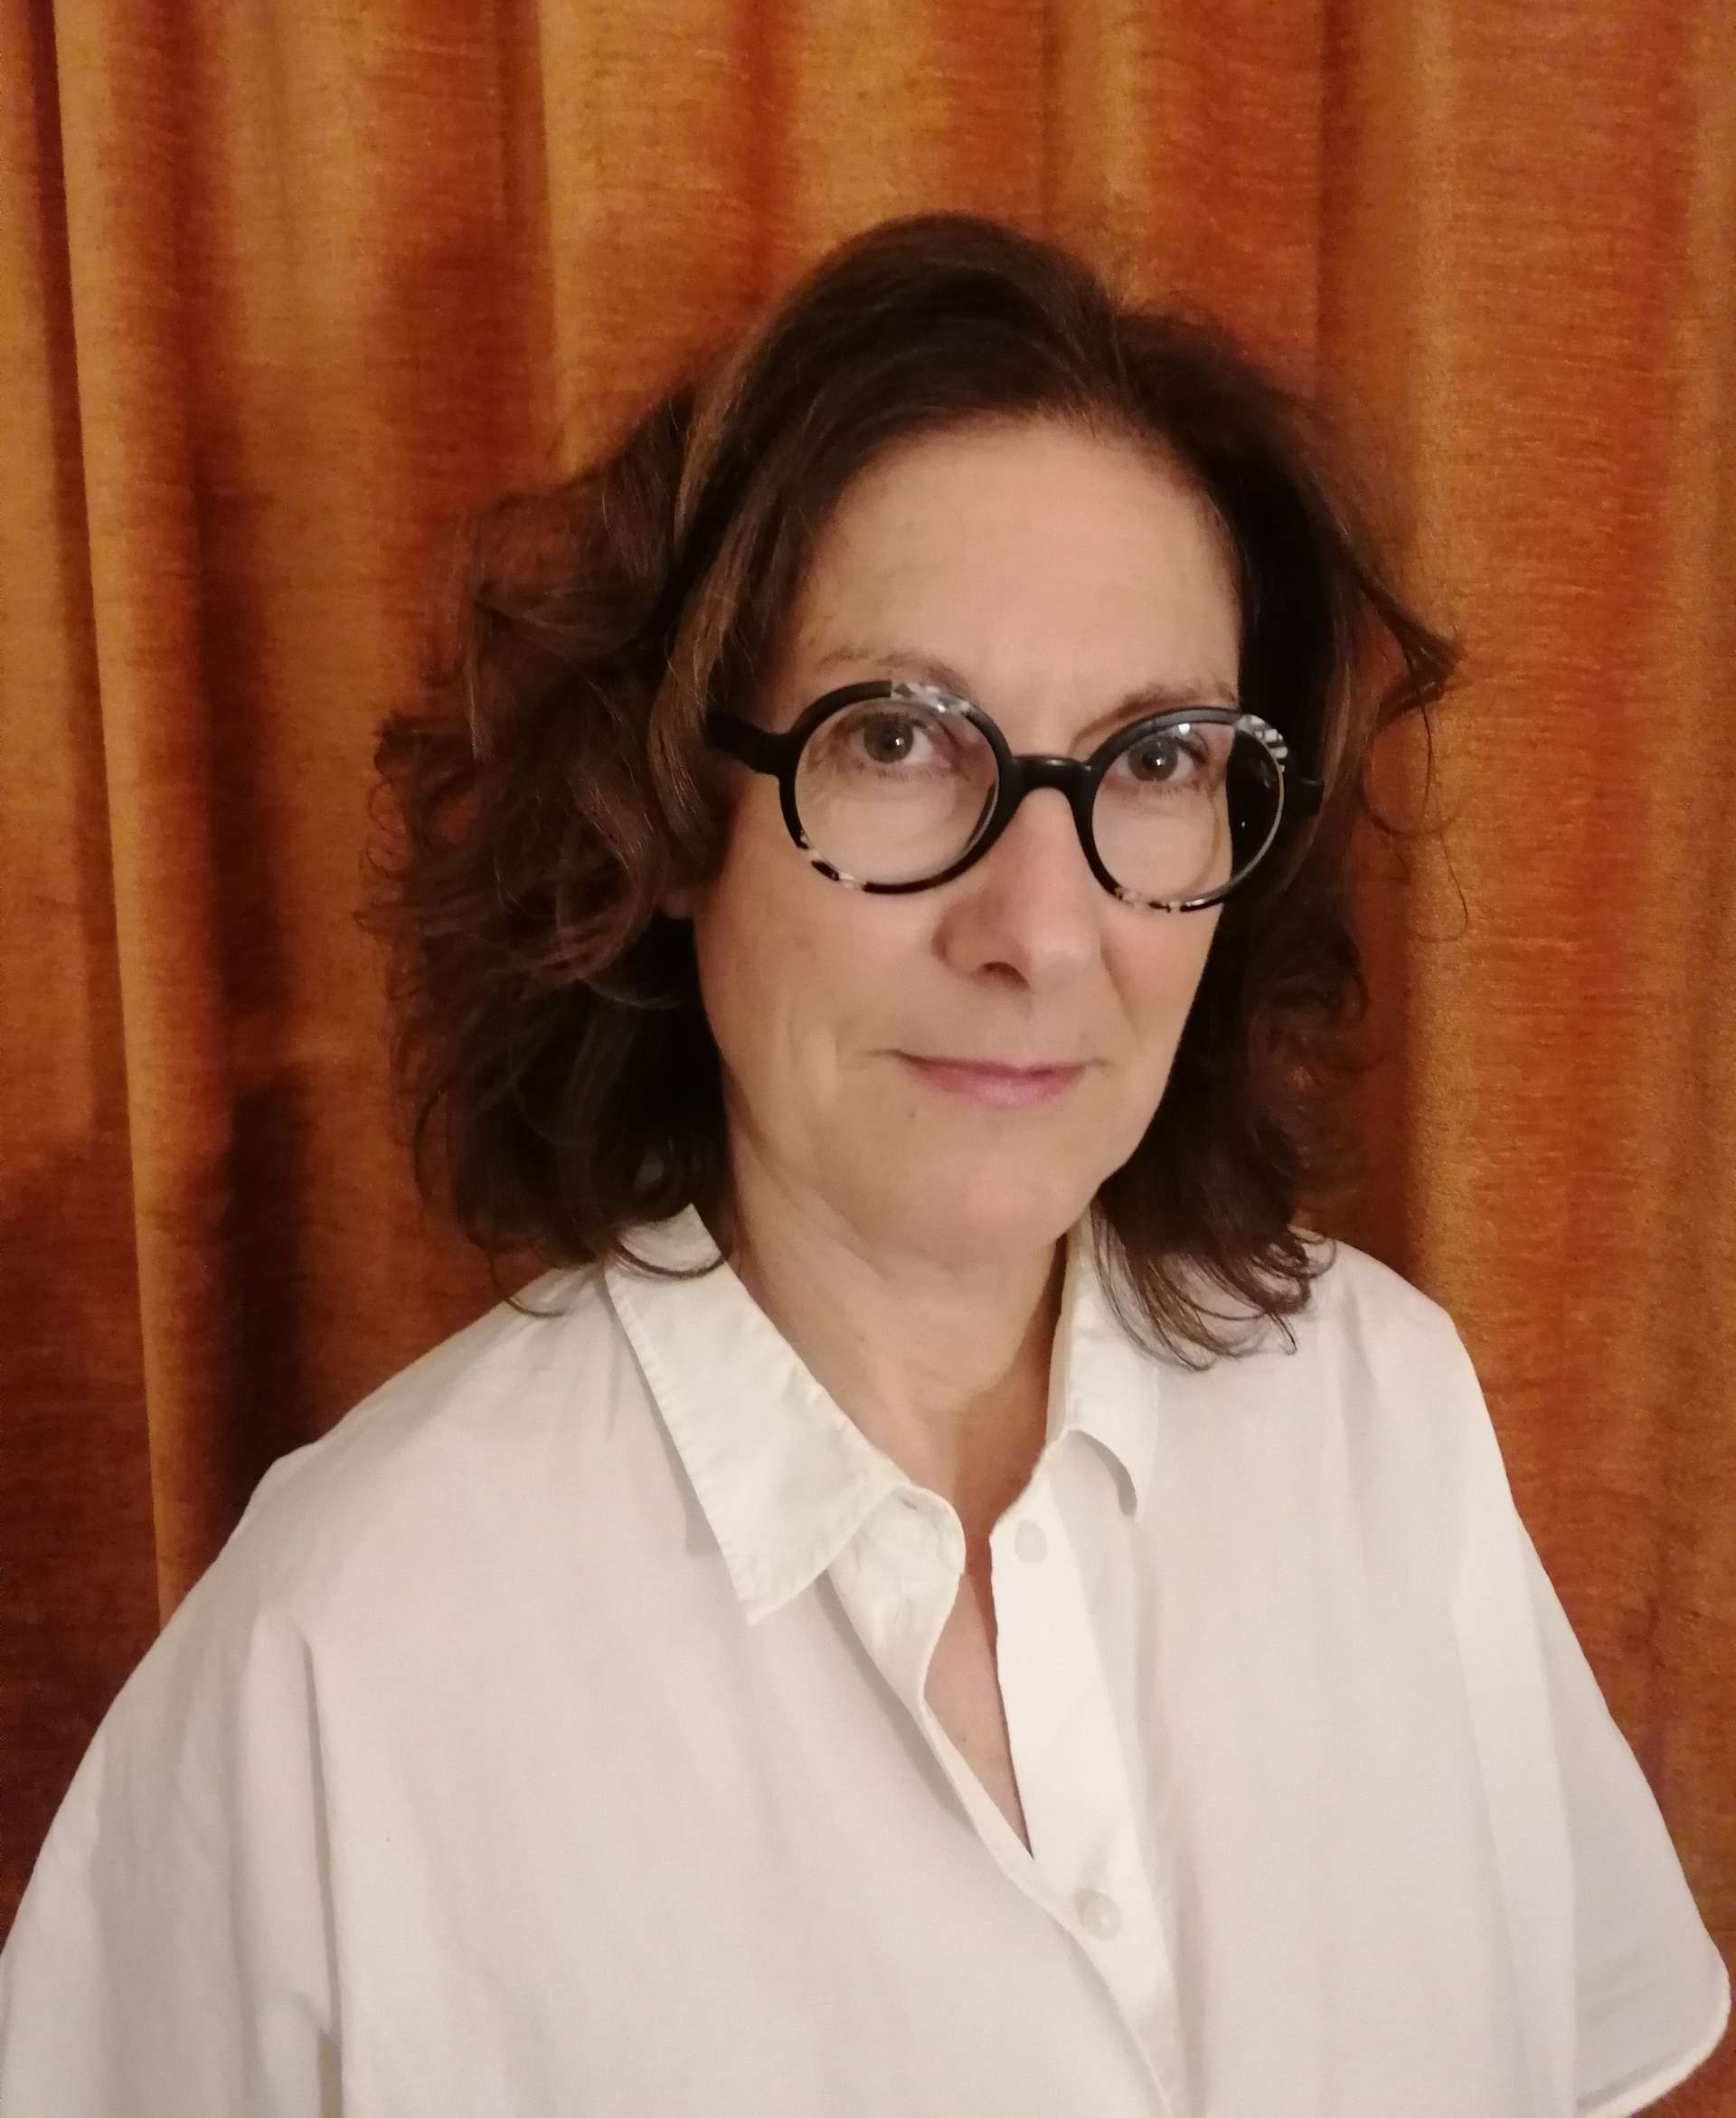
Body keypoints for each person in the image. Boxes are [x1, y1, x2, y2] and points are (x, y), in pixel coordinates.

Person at [0, 212, 1726, 2116]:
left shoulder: (1388, 1414)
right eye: (898, 737)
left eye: (1157, 757)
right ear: (672, 814)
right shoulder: (346, 1650)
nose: (1040, 928)